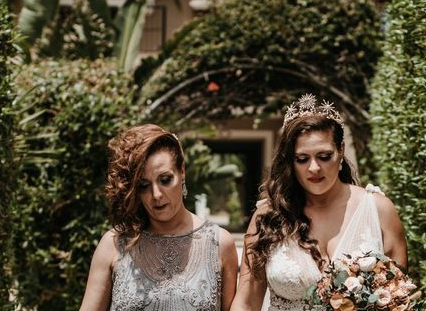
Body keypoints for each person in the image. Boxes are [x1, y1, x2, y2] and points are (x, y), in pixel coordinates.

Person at [230, 94, 407, 311]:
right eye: (302, 159)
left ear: (341, 151)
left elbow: (399, 297)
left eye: (324, 156)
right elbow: (246, 301)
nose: (314, 168)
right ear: (290, 161)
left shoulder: (378, 210)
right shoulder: (268, 217)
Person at [80, 124, 238, 311]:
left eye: (165, 180)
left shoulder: (219, 244)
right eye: (144, 185)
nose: (156, 194)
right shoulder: (114, 244)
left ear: (182, 172)